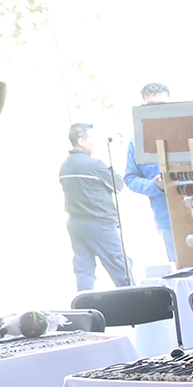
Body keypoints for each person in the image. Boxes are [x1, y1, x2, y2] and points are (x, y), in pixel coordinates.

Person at [58, 123, 133, 292]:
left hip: (76, 223)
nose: (95, 142)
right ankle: (136, 301)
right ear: (81, 141)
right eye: (92, 138)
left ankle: (84, 302)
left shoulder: (64, 166)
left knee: (84, 269)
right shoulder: (94, 165)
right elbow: (118, 185)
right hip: (100, 224)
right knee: (121, 268)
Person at [122, 81, 178, 265]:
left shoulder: (189, 130)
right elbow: (130, 178)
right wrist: (154, 185)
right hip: (167, 218)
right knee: (181, 270)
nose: (157, 110)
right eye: (151, 106)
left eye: (162, 105)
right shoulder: (137, 142)